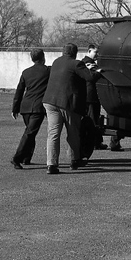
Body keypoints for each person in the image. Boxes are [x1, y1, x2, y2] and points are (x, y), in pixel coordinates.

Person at [43, 43, 101, 174]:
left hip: (50, 101)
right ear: (75, 53)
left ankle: (51, 165)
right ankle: (74, 161)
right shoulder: (76, 63)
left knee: (53, 134)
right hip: (67, 103)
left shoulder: (56, 62)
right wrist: (97, 71)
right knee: (73, 133)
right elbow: (89, 77)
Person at [10, 49, 50, 169]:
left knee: (30, 132)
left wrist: (15, 108)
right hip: (38, 107)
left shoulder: (26, 72)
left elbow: (19, 91)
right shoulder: (48, 70)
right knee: (30, 133)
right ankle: (17, 158)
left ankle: (27, 157)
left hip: (25, 106)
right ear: (43, 57)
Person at [79, 44, 106, 160]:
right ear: (89, 51)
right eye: (95, 52)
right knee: (93, 119)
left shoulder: (84, 62)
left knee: (93, 118)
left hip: (88, 95)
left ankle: (96, 141)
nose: (97, 55)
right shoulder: (88, 62)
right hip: (90, 96)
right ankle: (95, 143)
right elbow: (95, 72)